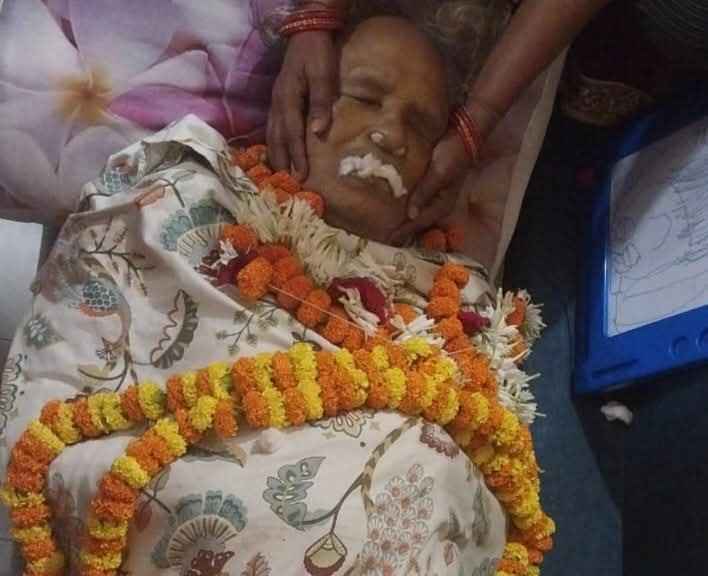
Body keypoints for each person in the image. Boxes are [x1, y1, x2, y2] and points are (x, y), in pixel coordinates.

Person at [268, 0, 708, 242]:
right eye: (364, 98)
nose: (391, 135)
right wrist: (319, 9)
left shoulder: (458, 325)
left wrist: (478, 119)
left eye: (422, 127)